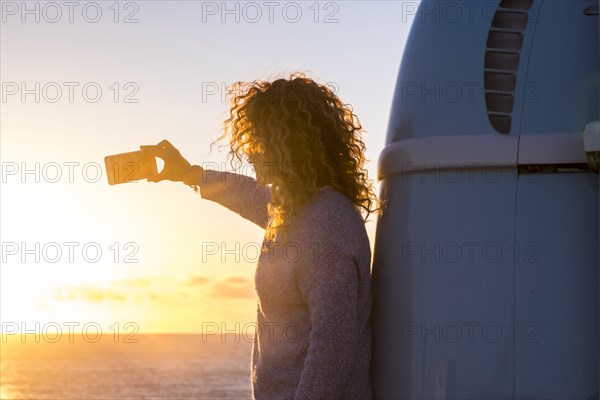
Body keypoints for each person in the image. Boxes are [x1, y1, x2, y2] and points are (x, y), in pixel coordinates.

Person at [140, 72, 380, 400]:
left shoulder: (326, 225)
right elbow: (248, 195)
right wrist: (187, 174)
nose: (250, 154)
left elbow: (332, 348)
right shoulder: (296, 206)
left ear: (288, 145)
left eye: (257, 142)